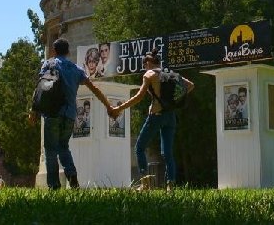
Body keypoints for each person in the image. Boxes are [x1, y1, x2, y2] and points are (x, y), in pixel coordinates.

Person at [29, 38, 113, 190]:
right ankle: (72, 178)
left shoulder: (49, 64)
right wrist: (108, 106)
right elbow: (94, 88)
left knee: (51, 151)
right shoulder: (77, 70)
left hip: (52, 113)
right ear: (68, 52)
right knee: (63, 147)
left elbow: (40, 86)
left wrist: (33, 109)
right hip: (69, 115)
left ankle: (54, 186)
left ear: (54, 51)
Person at [109, 52, 194, 190]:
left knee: (139, 148)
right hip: (170, 116)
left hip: (156, 115)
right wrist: (173, 100)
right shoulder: (169, 73)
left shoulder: (149, 75)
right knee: (167, 153)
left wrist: (119, 108)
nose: (144, 68)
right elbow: (190, 85)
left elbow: (138, 97)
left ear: (148, 63)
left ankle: (145, 184)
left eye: (144, 65)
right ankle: (170, 186)